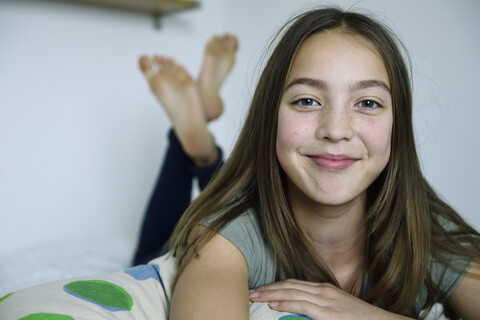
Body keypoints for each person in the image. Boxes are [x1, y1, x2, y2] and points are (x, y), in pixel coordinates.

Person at [168, 7, 480, 320]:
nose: (335, 130)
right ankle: (194, 150)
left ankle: (196, 149)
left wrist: (367, 316)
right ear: (271, 117)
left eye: (368, 103)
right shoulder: (223, 239)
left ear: (396, 127)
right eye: (307, 101)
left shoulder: (425, 231)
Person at [132, 34, 238, 265]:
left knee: (145, 262)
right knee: (244, 218)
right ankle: (202, 151)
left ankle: (204, 155)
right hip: (228, 242)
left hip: (180, 255)